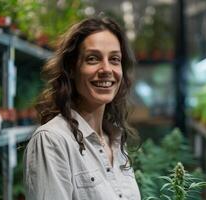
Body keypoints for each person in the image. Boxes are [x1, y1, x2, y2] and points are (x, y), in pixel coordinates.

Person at [23, 16, 141, 200]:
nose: (106, 69)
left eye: (114, 59)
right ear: (71, 68)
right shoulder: (52, 140)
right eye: (93, 59)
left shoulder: (115, 140)